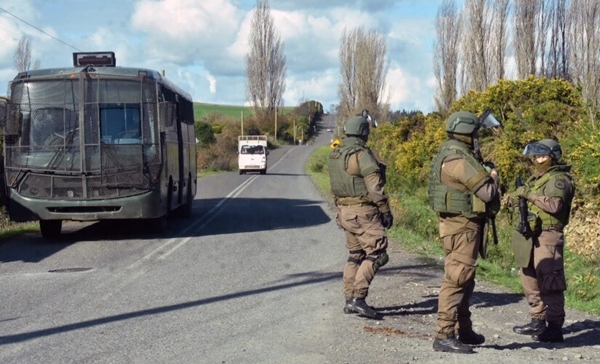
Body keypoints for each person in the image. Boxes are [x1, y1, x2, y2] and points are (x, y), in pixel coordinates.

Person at [427, 111, 500, 354]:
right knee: (457, 279)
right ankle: (444, 334)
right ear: (468, 133)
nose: (478, 136)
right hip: (463, 226)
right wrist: (493, 177)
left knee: (464, 279)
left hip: (458, 225)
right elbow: (486, 193)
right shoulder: (459, 159)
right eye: (476, 132)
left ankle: (464, 330)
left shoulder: (449, 153)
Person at [509, 138, 575, 343]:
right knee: (528, 278)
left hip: (548, 235)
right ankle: (537, 320)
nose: (539, 159)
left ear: (553, 155)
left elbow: (555, 206)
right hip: (530, 235)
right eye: (536, 156)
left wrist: (528, 195)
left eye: (543, 155)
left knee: (550, 282)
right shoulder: (537, 179)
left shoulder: (559, 179)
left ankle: (555, 327)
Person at [328, 112, 392, 319]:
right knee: (378, 253)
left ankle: (349, 300)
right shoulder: (361, 154)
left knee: (355, 255)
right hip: (363, 212)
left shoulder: (336, 154)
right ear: (364, 133)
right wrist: (385, 210)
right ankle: (358, 298)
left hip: (344, 212)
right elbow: (374, 186)